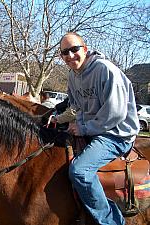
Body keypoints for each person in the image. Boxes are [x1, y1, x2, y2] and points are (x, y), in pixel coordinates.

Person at [60, 32, 139, 225]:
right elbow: (75, 106)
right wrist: (57, 118)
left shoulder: (106, 70)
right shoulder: (73, 75)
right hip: (93, 128)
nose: (70, 55)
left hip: (116, 133)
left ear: (85, 49)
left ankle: (111, 221)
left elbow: (115, 113)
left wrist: (84, 128)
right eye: (64, 52)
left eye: (74, 49)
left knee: (79, 171)